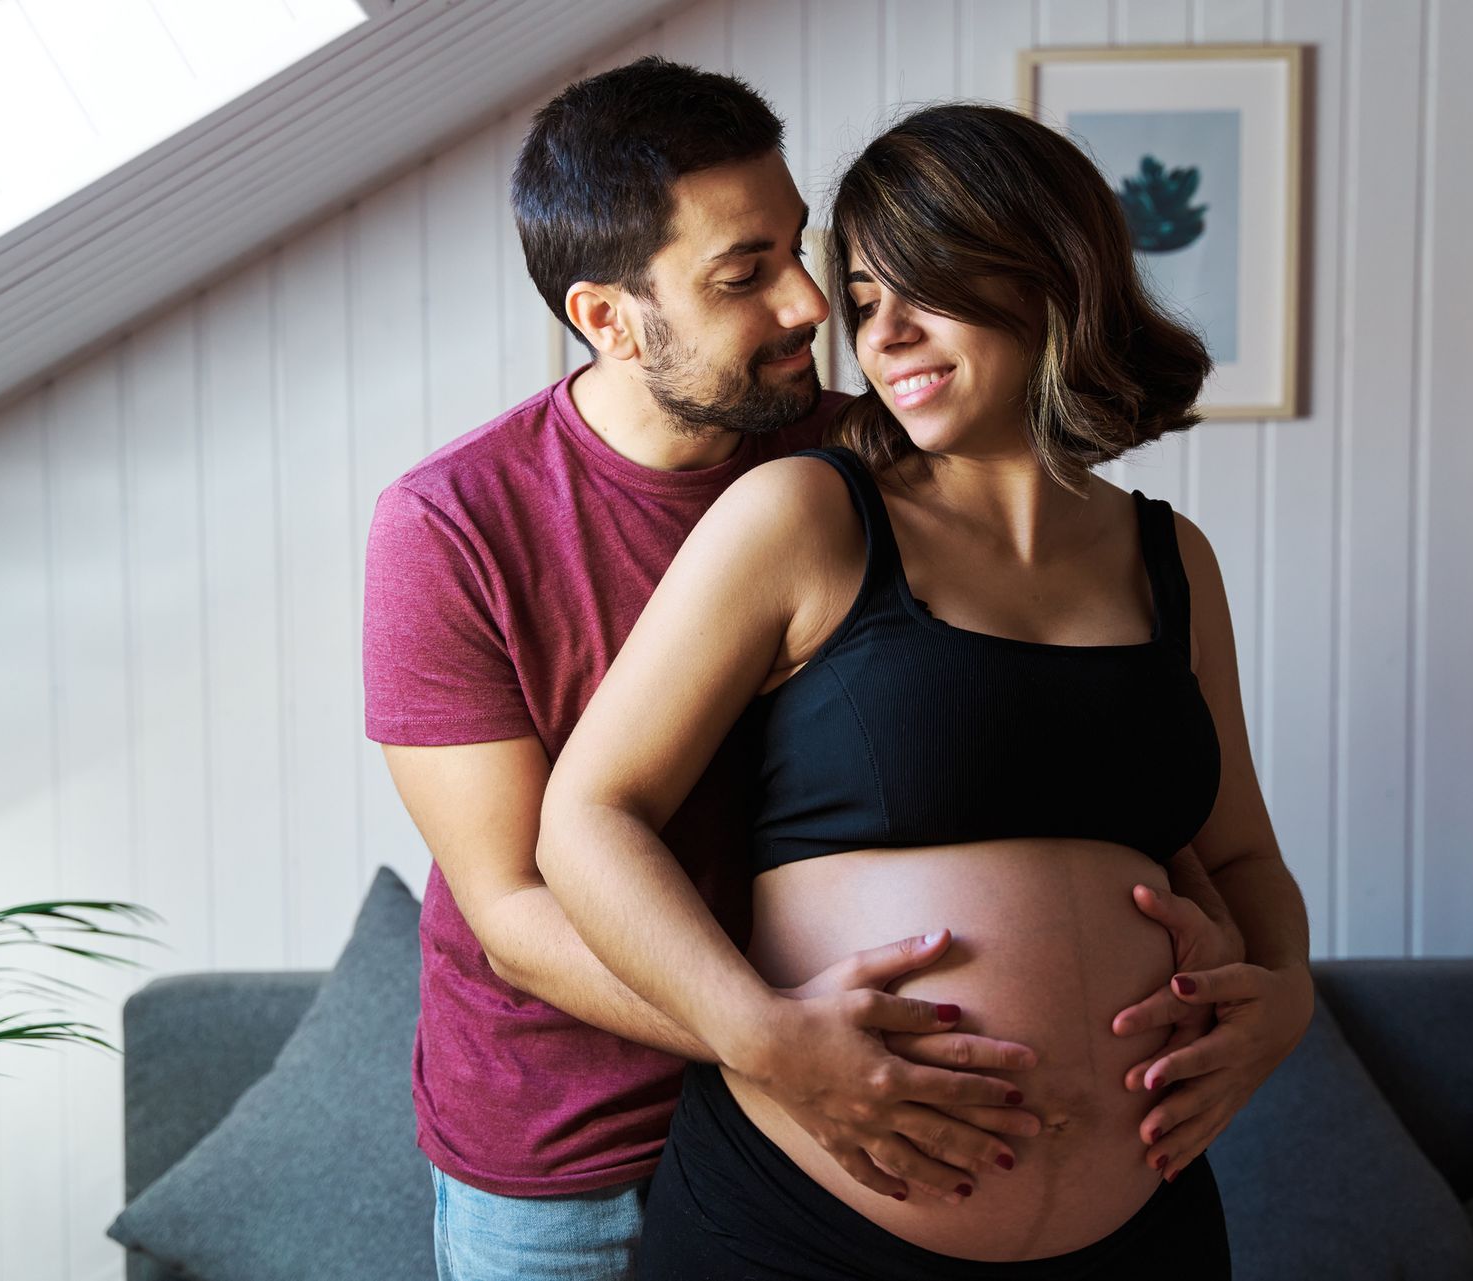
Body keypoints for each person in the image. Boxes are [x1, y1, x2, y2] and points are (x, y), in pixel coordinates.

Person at [536, 102, 1316, 1278]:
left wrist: (1288, 998)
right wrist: (765, 1038)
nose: (882, 333)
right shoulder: (806, 517)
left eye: (924, 286)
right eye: (861, 300)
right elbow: (587, 821)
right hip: (804, 1229)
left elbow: (1244, 859)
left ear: (1051, 274)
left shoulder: (1172, 559)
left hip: (1144, 1225)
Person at [365, 62, 1048, 1281]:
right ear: (608, 318)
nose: (808, 304)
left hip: (821, 1125)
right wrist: (773, 1039)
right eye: (744, 275)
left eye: (799, 248)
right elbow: (514, 906)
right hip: (571, 1159)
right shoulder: (450, 527)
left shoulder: (864, 455)